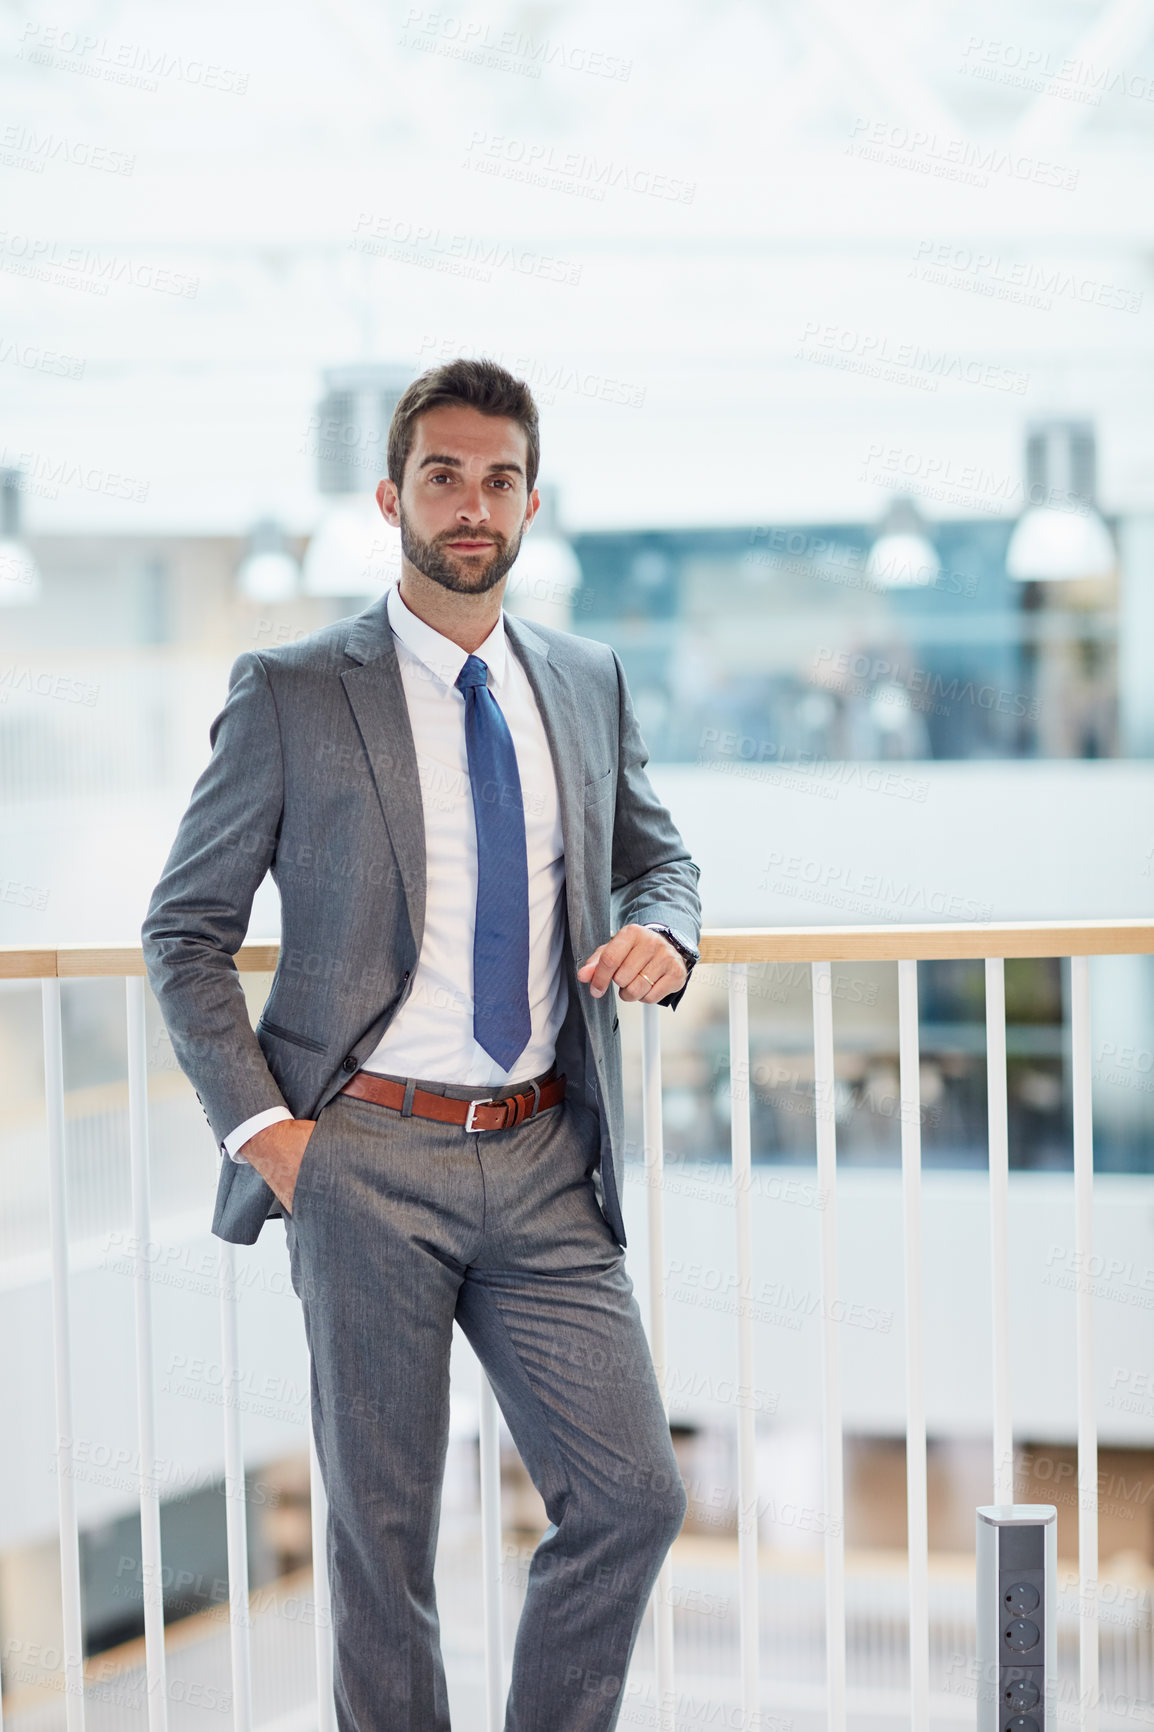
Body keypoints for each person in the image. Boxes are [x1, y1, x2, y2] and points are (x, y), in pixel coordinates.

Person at [141, 358, 702, 1731]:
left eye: (498, 478)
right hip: (364, 1160)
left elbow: (658, 856)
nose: (471, 503)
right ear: (393, 495)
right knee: (382, 1548)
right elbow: (184, 929)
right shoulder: (290, 690)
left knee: (631, 1497)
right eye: (443, 476)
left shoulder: (582, 678)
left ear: (528, 501)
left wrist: (668, 935)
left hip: (540, 1156)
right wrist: (271, 1137)